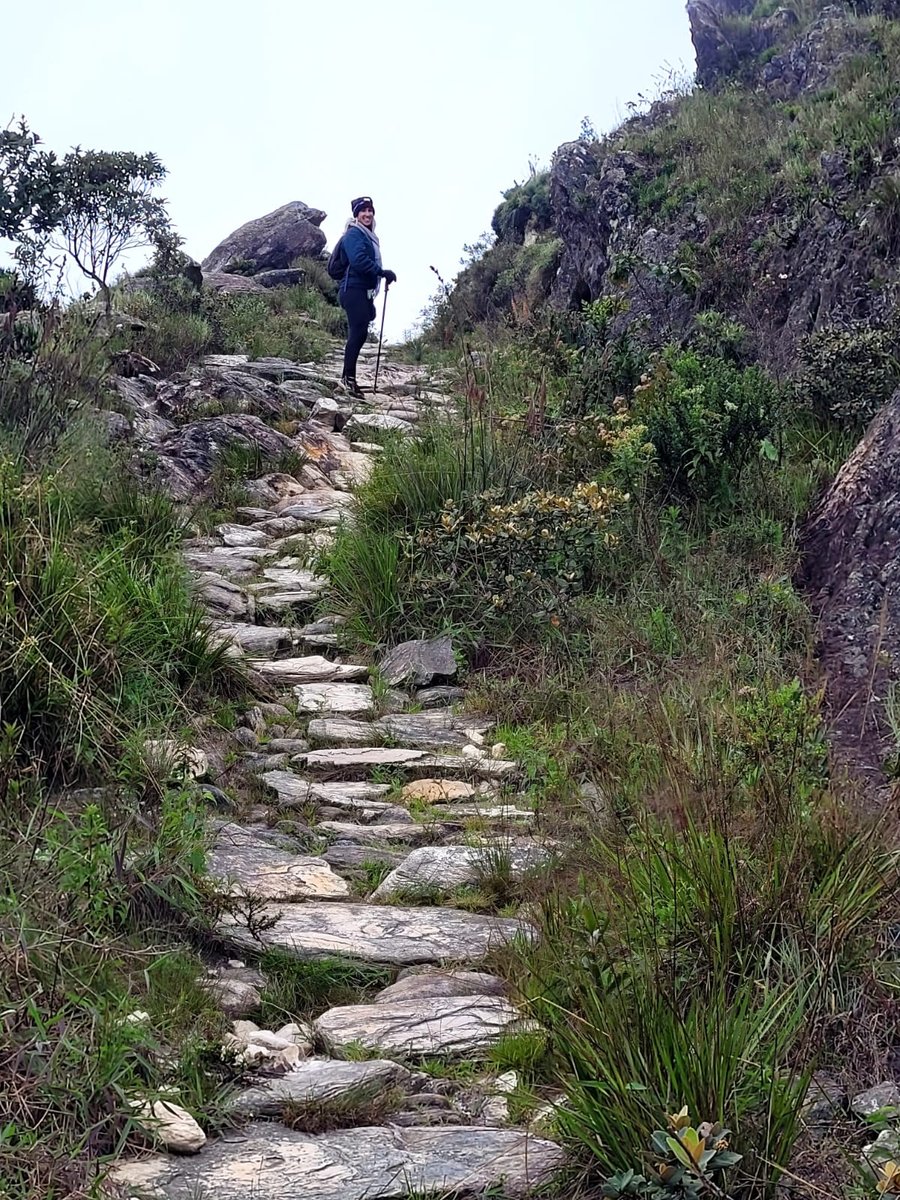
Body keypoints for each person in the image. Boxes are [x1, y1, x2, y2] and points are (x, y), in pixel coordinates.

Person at [338, 196, 396, 399]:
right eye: (363, 210)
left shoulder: (367, 236)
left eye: (370, 210)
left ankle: (348, 378)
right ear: (356, 214)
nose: (368, 214)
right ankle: (348, 380)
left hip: (360, 290)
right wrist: (381, 272)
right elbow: (358, 260)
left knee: (360, 332)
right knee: (358, 333)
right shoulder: (354, 233)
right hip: (353, 288)